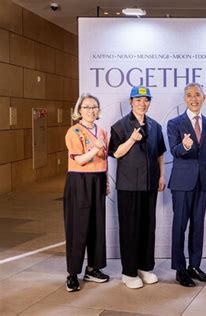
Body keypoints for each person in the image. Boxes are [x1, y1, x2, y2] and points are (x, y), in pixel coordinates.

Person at [108, 86, 166, 289]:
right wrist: (132, 139)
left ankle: (145, 267)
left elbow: (160, 153)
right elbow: (116, 153)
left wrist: (161, 176)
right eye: (138, 100)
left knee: (148, 227)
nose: (142, 104)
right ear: (131, 102)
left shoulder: (156, 126)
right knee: (130, 229)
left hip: (150, 184)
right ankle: (129, 272)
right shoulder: (120, 126)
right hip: (129, 186)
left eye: (146, 100)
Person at [167, 83, 206, 287]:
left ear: (204, 98)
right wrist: (185, 146)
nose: (193, 98)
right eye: (189, 95)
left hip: (203, 182)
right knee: (180, 225)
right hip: (182, 182)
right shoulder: (174, 123)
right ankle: (180, 269)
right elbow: (174, 150)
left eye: (197, 95)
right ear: (185, 99)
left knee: (198, 225)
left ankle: (194, 265)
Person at [64, 93, 110, 292]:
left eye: (94, 107)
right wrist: (95, 148)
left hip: (98, 180)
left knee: (97, 226)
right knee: (78, 227)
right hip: (79, 181)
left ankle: (93, 269)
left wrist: (106, 179)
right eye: (86, 107)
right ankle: (72, 274)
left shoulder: (102, 131)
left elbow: (104, 159)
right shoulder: (73, 131)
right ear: (79, 111)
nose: (91, 110)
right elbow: (80, 160)